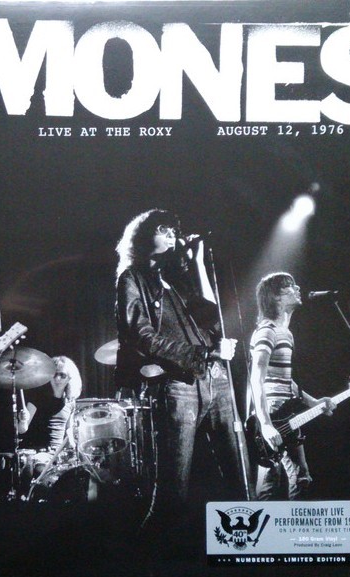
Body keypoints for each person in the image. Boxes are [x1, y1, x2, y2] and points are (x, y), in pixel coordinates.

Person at [114, 209, 249, 526]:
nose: (172, 235)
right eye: (163, 230)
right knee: (173, 488)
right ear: (144, 237)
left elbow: (210, 316)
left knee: (239, 475)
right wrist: (204, 352)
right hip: (178, 384)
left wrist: (198, 262)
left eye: (174, 230)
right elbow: (143, 337)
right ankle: (159, 544)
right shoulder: (132, 279)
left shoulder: (177, 279)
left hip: (216, 379)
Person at [249, 272, 335, 500]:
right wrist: (266, 424)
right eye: (290, 286)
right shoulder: (267, 331)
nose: (298, 289)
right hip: (273, 414)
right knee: (291, 479)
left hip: (285, 412)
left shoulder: (285, 333)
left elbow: (284, 380)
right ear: (276, 297)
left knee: (289, 479)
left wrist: (313, 402)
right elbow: (256, 377)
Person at [17, 355, 82, 451]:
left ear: (70, 378)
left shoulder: (70, 401)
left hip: (57, 454)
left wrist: (72, 444)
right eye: (54, 374)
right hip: (36, 451)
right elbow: (21, 430)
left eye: (62, 375)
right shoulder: (37, 397)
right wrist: (23, 421)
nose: (57, 379)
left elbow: (68, 429)